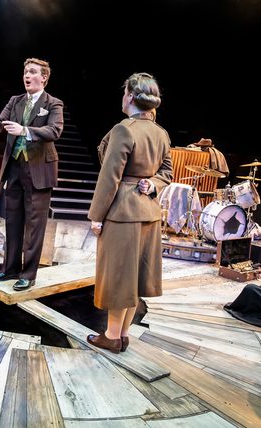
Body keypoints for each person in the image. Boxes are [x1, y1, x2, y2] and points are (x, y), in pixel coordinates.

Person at [87, 72, 173, 353]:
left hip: (122, 213)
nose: (122, 97)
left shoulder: (124, 129)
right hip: (149, 214)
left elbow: (109, 177)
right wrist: (153, 184)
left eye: (125, 92)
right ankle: (123, 334)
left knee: (119, 277)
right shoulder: (161, 133)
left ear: (131, 97)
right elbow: (167, 173)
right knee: (134, 278)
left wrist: (96, 216)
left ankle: (112, 336)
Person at [0, 58, 64, 291]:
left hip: (39, 169)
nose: (27, 76)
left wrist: (25, 130)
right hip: (15, 167)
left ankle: (28, 274)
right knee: (13, 220)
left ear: (44, 77)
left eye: (32, 72)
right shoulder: (15, 100)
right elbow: (0, 124)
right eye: (25, 72)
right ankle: (10, 269)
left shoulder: (53, 103)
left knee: (35, 224)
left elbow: (54, 130)